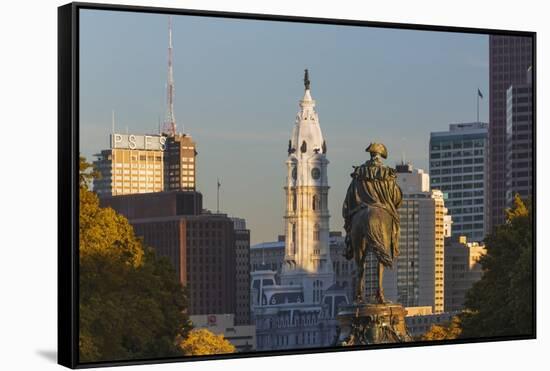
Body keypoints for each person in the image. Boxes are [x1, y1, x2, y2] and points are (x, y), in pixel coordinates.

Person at [342, 143, 402, 303]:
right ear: (381, 156)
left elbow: (349, 199)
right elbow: (396, 197)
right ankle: (380, 293)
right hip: (382, 209)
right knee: (392, 230)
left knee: (359, 258)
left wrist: (349, 217)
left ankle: (359, 294)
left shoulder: (359, 173)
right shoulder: (387, 174)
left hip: (360, 212)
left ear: (370, 155)